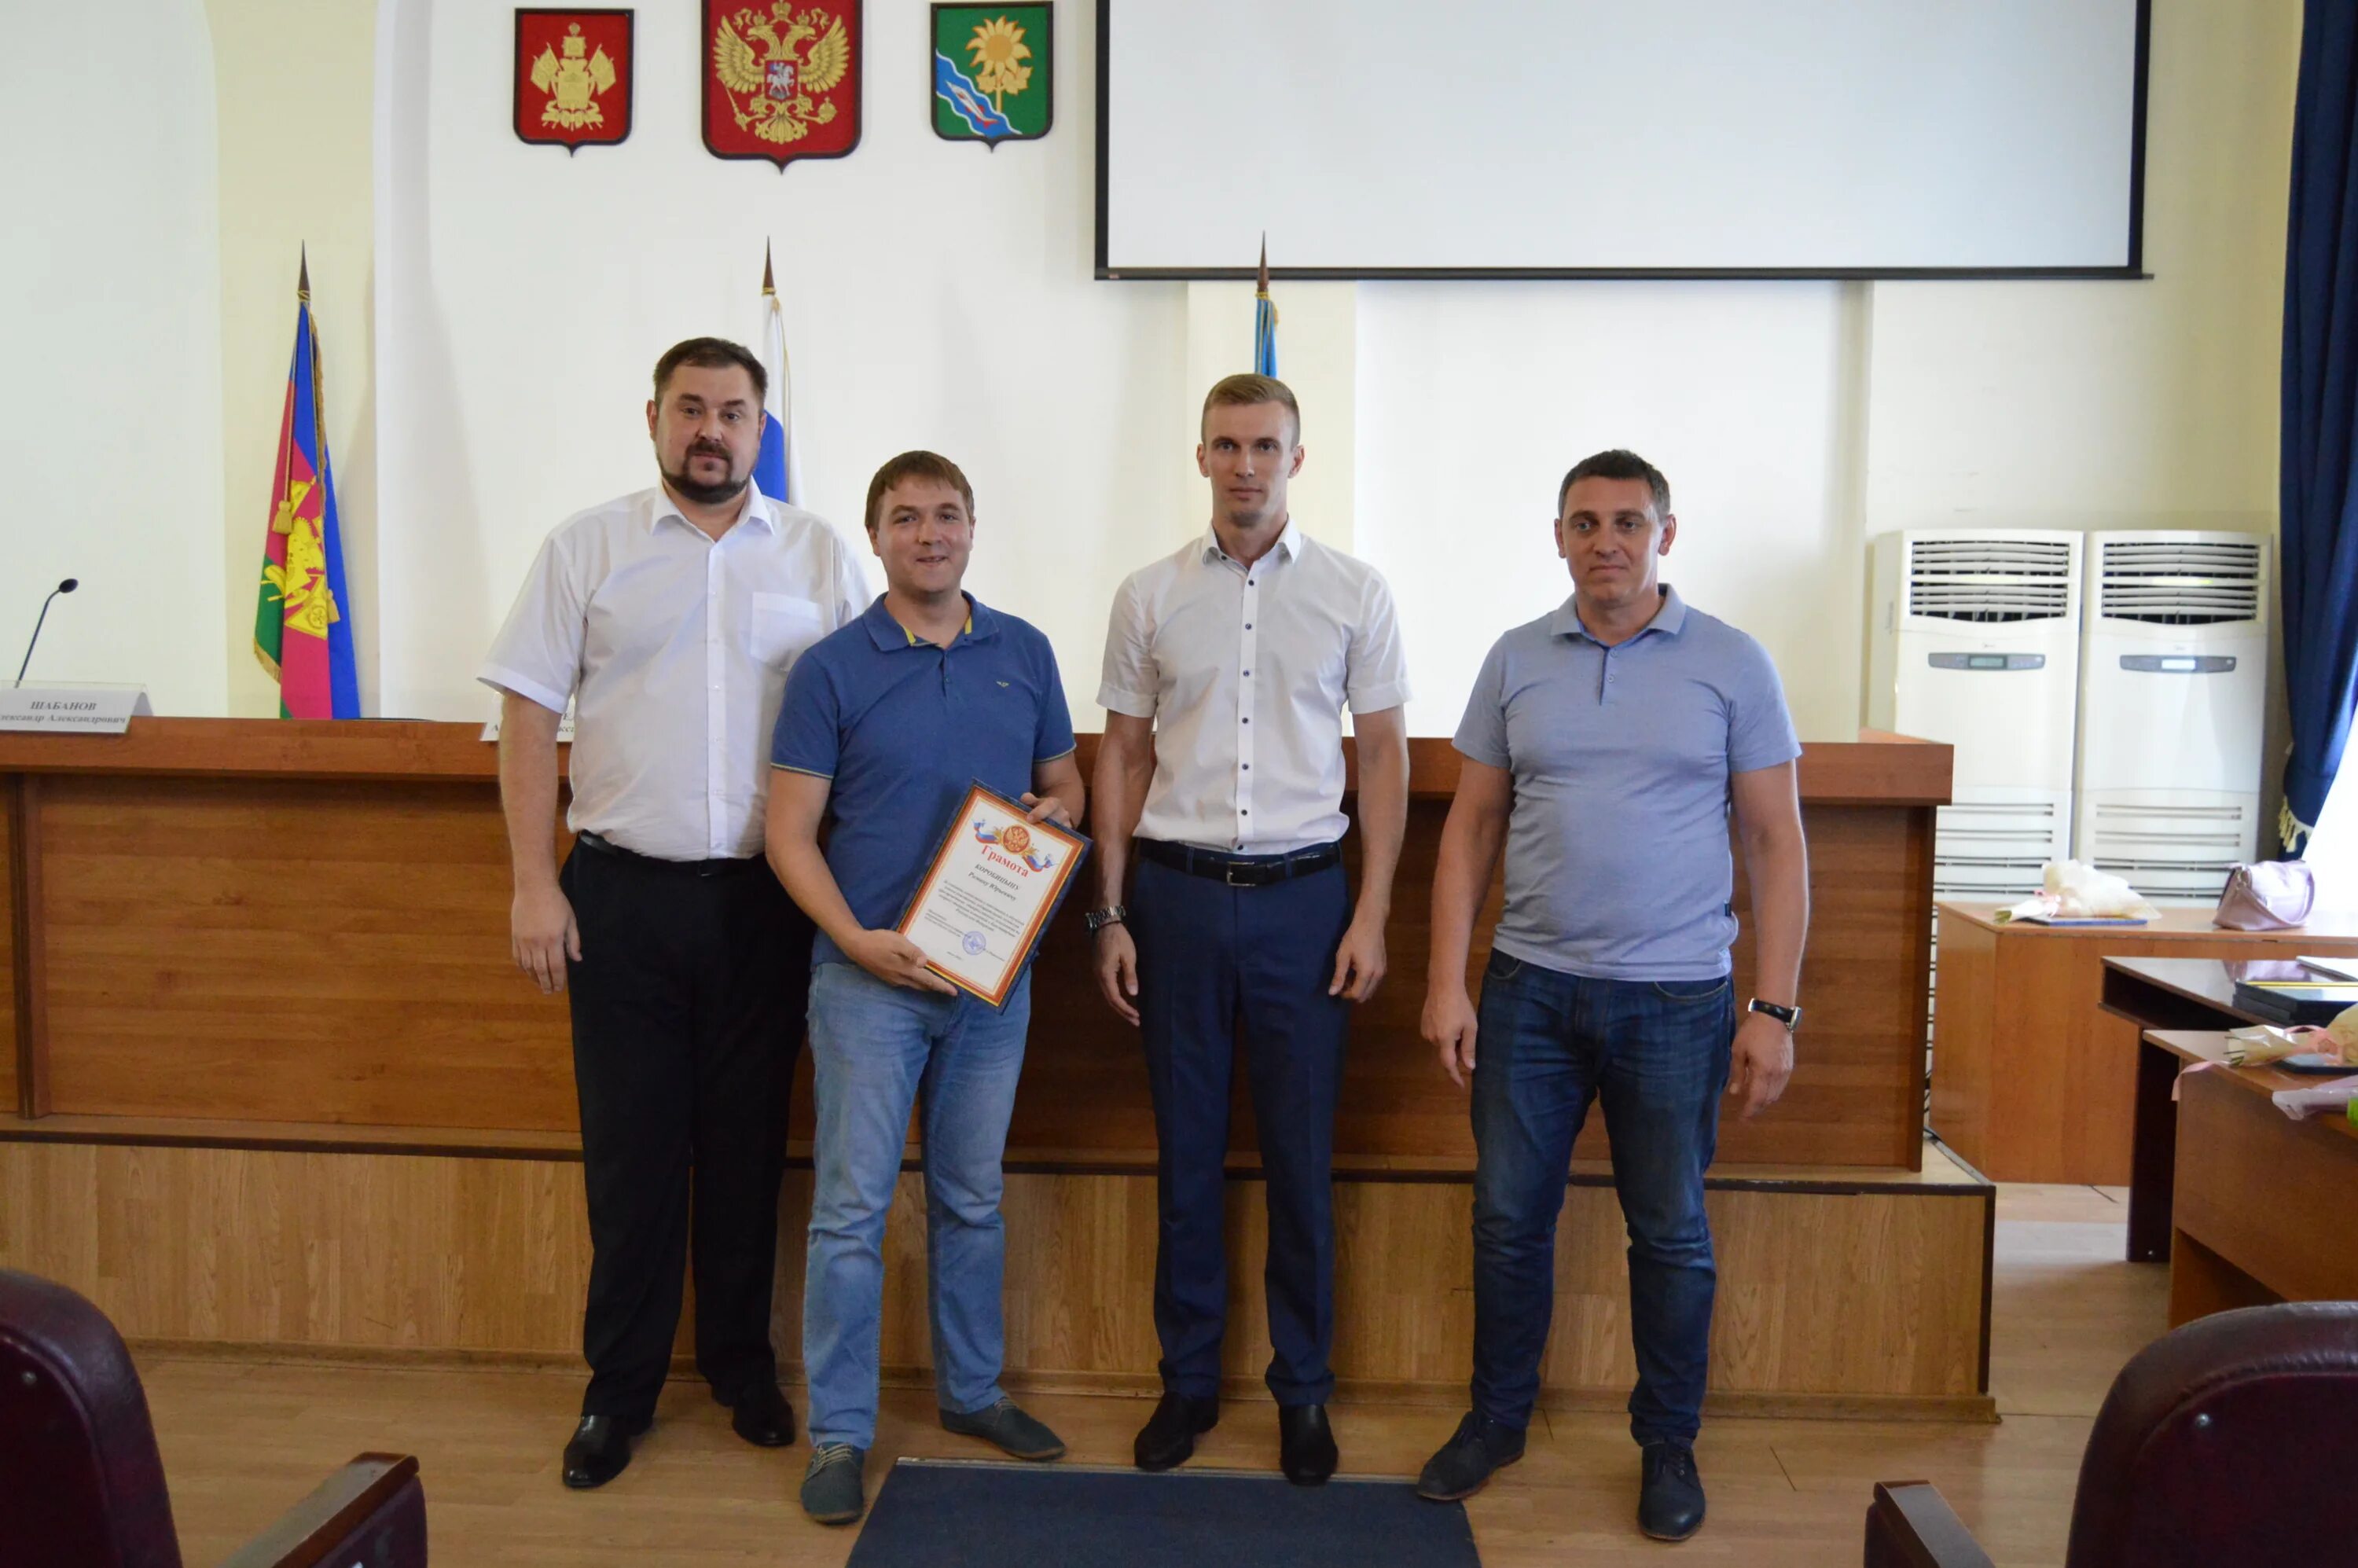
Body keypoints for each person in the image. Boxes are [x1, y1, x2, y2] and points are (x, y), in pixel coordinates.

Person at [480, 336, 869, 1490]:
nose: (711, 430)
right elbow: (525, 723)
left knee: (750, 1145)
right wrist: (533, 879)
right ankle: (621, 1392)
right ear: (653, 419)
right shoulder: (583, 549)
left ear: (762, 427)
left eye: (734, 412)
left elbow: (870, 707)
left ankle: (744, 1369)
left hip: (767, 900)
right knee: (633, 1150)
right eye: (691, 409)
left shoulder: (814, 553)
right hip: (619, 899)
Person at [1413, 449, 1809, 1542]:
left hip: (1679, 1002)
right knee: (1506, 1222)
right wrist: (1448, 982)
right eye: (1585, 523)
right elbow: (1471, 830)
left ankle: (1668, 1444)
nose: (1607, 542)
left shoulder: (1733, 662)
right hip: (1530, 993)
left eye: (1628, 522)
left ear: (1665, 536)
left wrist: (1773, 1009)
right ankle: (1496, 1422)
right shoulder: (1515, 659)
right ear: (1558, 536)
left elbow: (1777, 844)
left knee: (1671, 1232)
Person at [1089, 373, 1411, 1485]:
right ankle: (1186, 1386)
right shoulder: (1147, 595)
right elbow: (1122, 757)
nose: (1244, 466)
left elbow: (1381, 757)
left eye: (1265, 446)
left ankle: (1303, 1394)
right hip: (1174, 902)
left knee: (1298, 1161)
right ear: (1200, 457)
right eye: (1225, 445)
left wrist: (1370, 913)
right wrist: (1114, 912)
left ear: (1296, 460)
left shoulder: (1355, 593)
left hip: (1304, 907)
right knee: (1185, 1157)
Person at [766, 450, 1085, 1526]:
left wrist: (1058, 815)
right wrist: (857, 941)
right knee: (851, 1211)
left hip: (993, 985)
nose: (930, 534)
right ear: (877, 537)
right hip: (868, 983)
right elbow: (788, 835)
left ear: (973, 528)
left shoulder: (1025, 651)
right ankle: (840, 1437)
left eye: (947, 515)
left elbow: (1065, 782)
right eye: (906, 518)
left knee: (971, 1197)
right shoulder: (831, 669)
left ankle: (973, 1393)